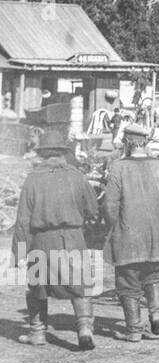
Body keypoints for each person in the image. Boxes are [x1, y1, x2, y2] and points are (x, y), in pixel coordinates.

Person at [11, 129, 101, 350]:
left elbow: (22, 220)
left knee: (36, 287)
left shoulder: (32, 180)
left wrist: (18, 254)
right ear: (63, 152)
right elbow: (93, 209)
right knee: (80, 286)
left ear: (42, 153)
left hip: (42, 241)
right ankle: (84, 329)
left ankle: (37, 333)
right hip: (72, 239)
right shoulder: (76, 176)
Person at [103, 121, 159, 342]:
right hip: (154, 236)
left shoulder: (118, 168)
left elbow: (110, 207)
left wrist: (113, 227)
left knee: (128, 282)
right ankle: (157, 314)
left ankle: (133, 330)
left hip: (127, 236)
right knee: (154, 275)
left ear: (127, 143)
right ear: (145, 143)